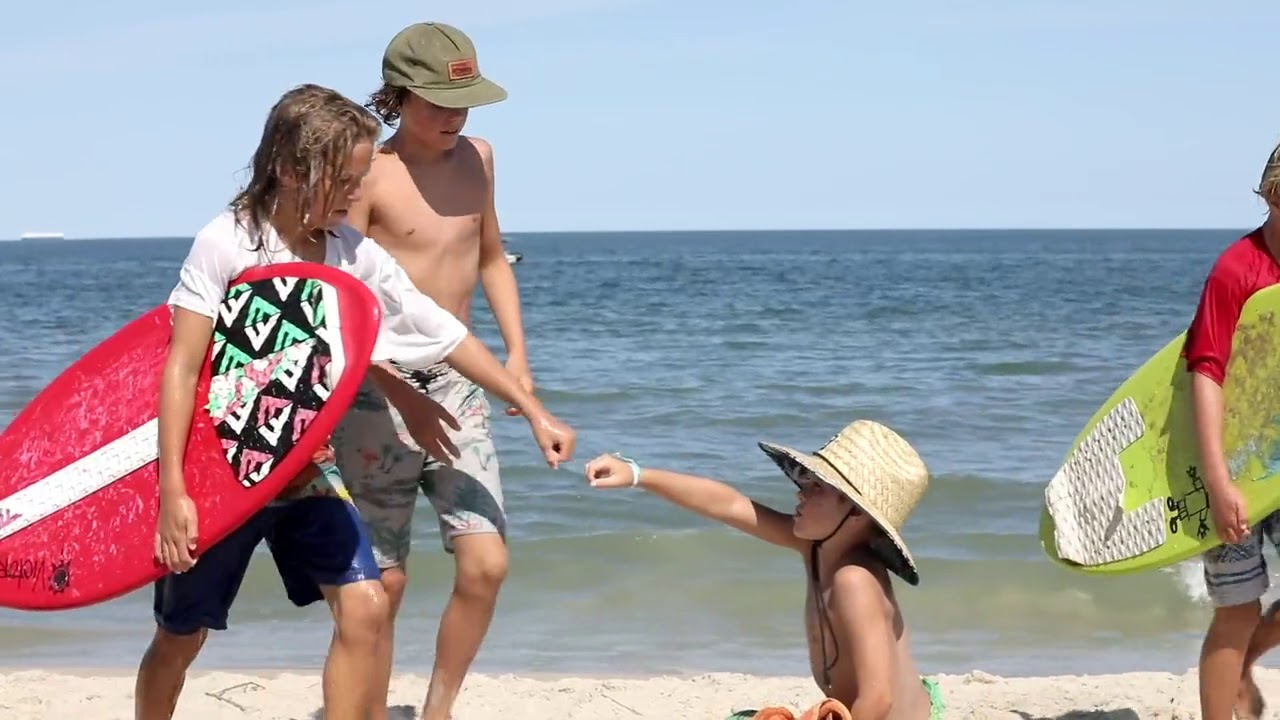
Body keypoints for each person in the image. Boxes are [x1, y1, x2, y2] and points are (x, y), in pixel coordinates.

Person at [134, 83, 575, 720]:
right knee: (182, 635)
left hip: (304, 469)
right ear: (290, 170)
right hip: (221, 474)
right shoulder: (226, 242)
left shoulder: (350, 251)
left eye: (360, 179)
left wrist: (534, 410)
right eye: (343, 181)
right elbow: (180, 369)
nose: (354, 196)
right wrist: (174, 491)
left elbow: (439, 329)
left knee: (366, 607)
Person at [331, 21, 524, 720]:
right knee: (384, 582)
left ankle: (438, 710)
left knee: (487, 564)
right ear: (399, 94)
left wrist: (517, 361)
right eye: (438, 101)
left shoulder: (481, 157)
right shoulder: (369, 176)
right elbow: (341, 302)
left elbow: (492, 257)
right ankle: (370, 710)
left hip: (460, 382)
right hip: (374, 394)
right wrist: (389, 388)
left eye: (463, 100)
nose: (453, 116)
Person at [584, 419, 945, 720]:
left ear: (855, 513)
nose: (801, 491)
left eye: (817, 486)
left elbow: (879, 698)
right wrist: (636, 474)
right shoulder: (814, 545)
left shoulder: (855, 579)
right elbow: (728, 504)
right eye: (806, 479)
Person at [1185, 140, 1280, 720]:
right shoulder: (1236, 269)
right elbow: (1206, 371)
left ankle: (1245, 661)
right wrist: (1219, 482)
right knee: (1238, 609)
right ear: (1275, 195)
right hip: (1235, 461)